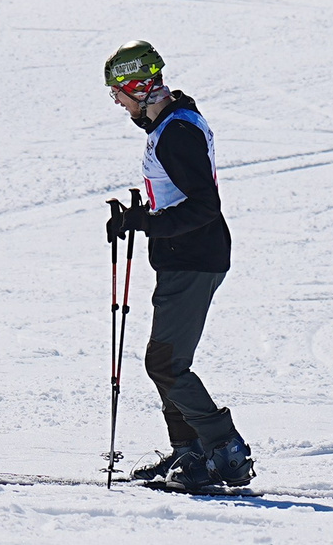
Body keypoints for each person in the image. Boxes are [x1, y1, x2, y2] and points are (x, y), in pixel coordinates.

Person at [104, 40, 253, 492]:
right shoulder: (172, 123)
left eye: (118, 93)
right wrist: (143, 217)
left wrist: (146, 221)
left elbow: (205, 205)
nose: (116, 102)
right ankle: (188, 453)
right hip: (184, 258)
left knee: (167, 363)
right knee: (164, 360)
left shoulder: (176, 132)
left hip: (194, 259)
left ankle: (224, 450)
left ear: (138, 86)